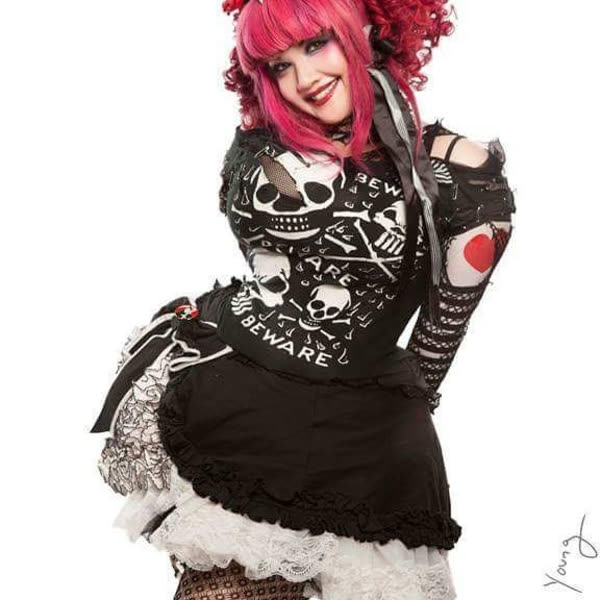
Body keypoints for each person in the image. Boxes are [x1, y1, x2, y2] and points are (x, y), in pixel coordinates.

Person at [90, 0, 516, 598]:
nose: (304, 79)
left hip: (367, 442)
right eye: (280, 65)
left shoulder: (459, 171)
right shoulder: (263, 144)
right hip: (236, 410)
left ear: (367, 27)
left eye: (316, 44)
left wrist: (370, 429)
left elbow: (438, 338)